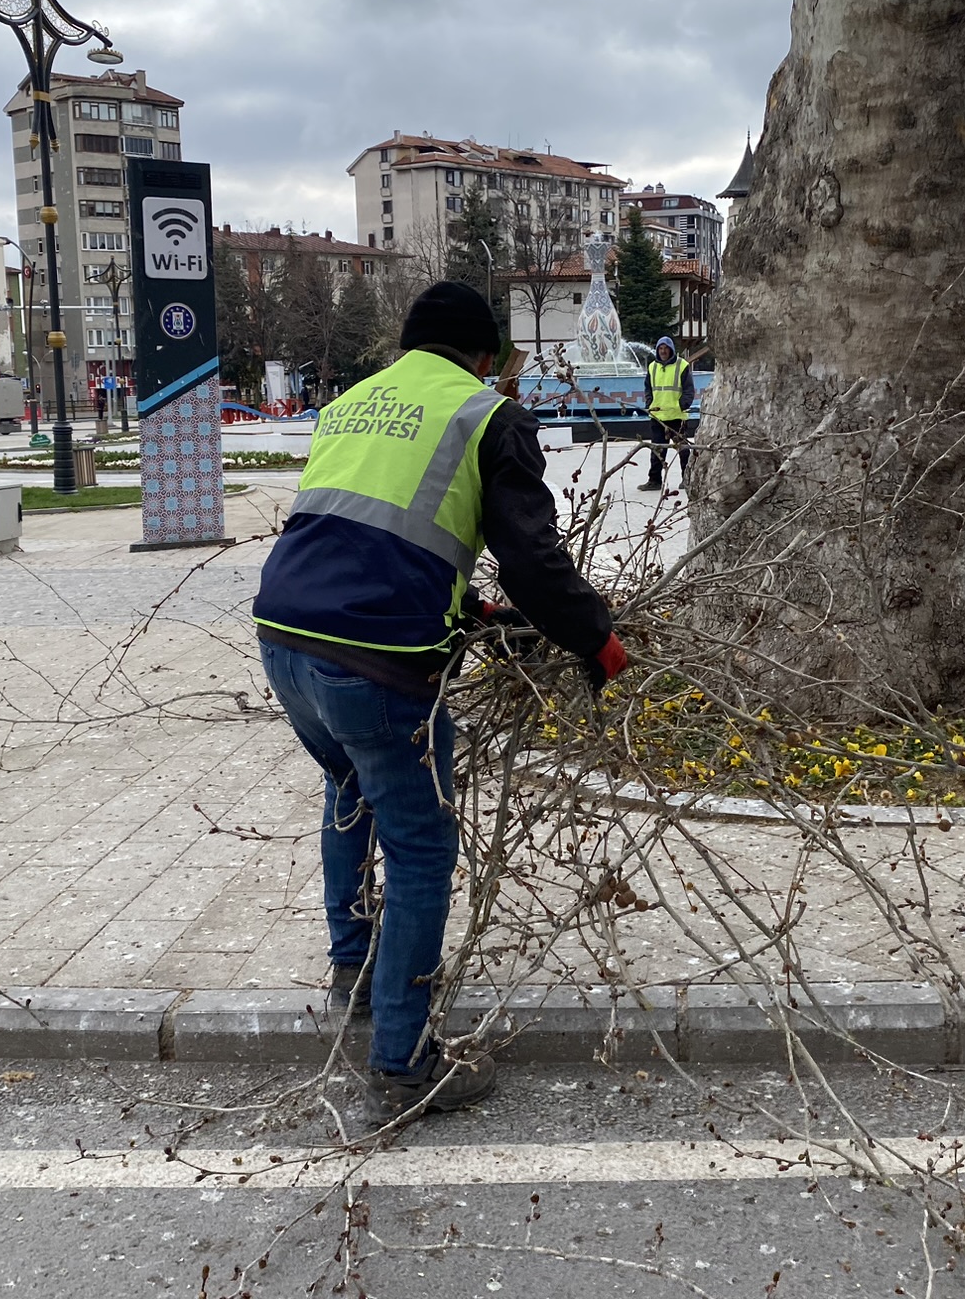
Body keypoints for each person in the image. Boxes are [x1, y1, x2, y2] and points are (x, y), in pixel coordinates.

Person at [254, 282, 629, 1120]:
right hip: (374, 666)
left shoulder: (353, 403)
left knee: (348, 791)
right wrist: (594, 640)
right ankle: (402, 1064)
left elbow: (371, 533)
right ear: (488, 356)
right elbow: (532, 559)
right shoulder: (487, 413)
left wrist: (466, 609)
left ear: (407, 344)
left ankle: (354, 966)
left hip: (284, 637)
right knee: (422, 850)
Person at [639, 336, 695, 492]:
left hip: (677, 416)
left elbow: (689, 389)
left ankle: (688, 479)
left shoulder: (682, 366)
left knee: (683, 450)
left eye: (666, 348)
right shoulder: (652, 367)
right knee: (657, 450)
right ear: (657, 350)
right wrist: (649, 403)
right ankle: (655, 480)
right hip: (658, 416)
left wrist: (682, 405)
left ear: (671, 349)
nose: (663, 351)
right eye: (660, 348)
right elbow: (648, 388)